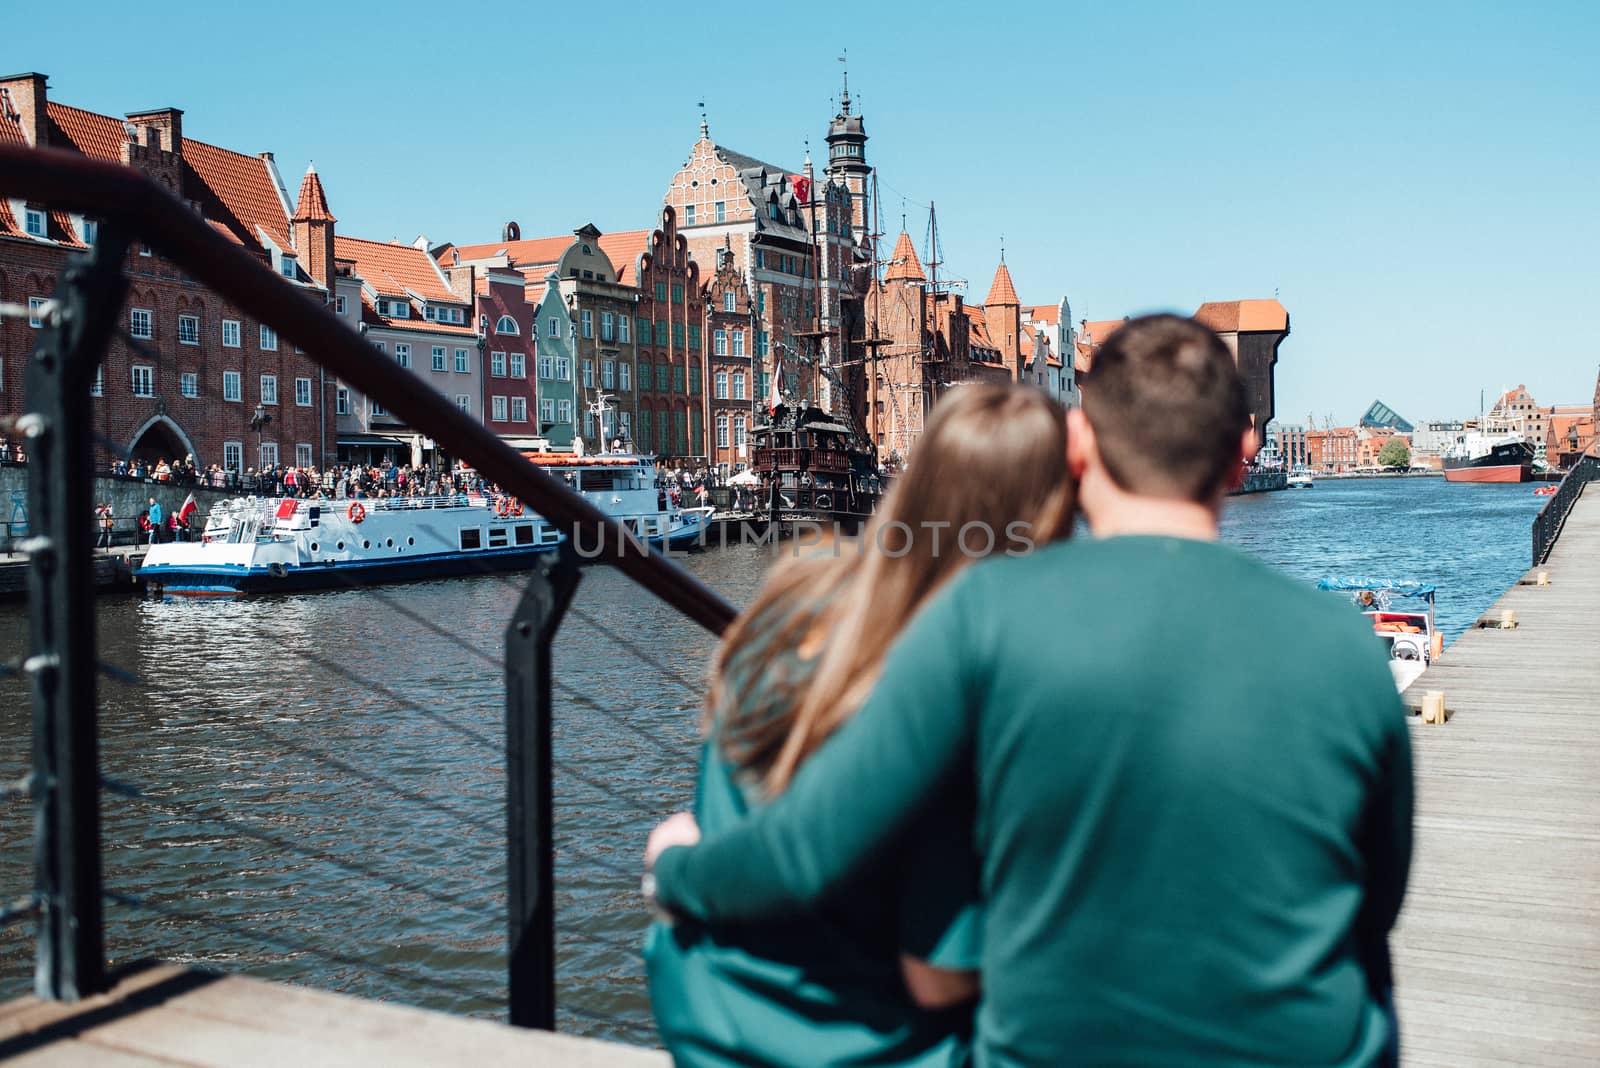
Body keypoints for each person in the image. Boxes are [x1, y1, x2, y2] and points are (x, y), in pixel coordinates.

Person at [646, 314, 1413, 1067]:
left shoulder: (987, 618)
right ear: (1243, 450)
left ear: (1083, 444)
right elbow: (1378, 899)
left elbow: (815, 844)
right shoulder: (1343, 642)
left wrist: (678, 870)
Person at [646, 384, 1074, 1068]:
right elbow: (937, 977)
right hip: (856, 1043)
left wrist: (674, 864)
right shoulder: (964, 676)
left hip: (707, 1008)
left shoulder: (794, 593)